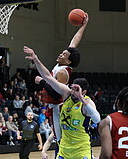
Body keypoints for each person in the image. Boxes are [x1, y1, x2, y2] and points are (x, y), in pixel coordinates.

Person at [24, 46, 100, 158]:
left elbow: (97, 119)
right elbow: (47, 77)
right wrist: (35, 58)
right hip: (65, 150)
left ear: (84, 91)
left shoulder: (87, 103)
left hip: (81, 149)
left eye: (77, 90)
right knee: (55, 137)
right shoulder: (67, 93)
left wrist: (81, 99)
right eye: (73, 88)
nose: (74, 92)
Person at [35, 13, 89, 147]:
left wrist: (41, 81)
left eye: (64, 54)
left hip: (58, 108)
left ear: (69, 60)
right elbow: (74, 43)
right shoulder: (62, 65)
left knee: (60, 140)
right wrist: (84, 26)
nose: (61, 53)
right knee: (59, 139)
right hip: (53, 107)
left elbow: (56, 94)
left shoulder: (63, 72)